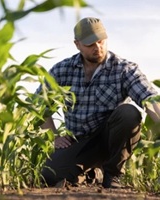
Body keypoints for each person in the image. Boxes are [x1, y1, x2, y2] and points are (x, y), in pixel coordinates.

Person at [35, 17, 160, 188]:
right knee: (49, 176)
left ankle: (113, 175)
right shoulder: (62, 70)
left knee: (129, 113)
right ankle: (92, 173)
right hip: (79, 142)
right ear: (77, 44)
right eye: (90, 44)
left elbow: (150, 98)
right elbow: (38, 107)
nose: (98, 47)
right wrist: (54, 136)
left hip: (111, 140)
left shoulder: (124, 69)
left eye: (101, 41)